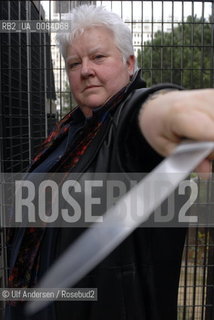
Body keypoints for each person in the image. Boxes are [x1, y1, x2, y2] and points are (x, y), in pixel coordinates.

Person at [5, 4, 214, 320]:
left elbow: (141, 119)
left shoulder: (128, 129)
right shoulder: (69, 130)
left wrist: (167, 110)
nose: (85, 70)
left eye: (99, 57)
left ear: (130, 63)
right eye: (74, 63)